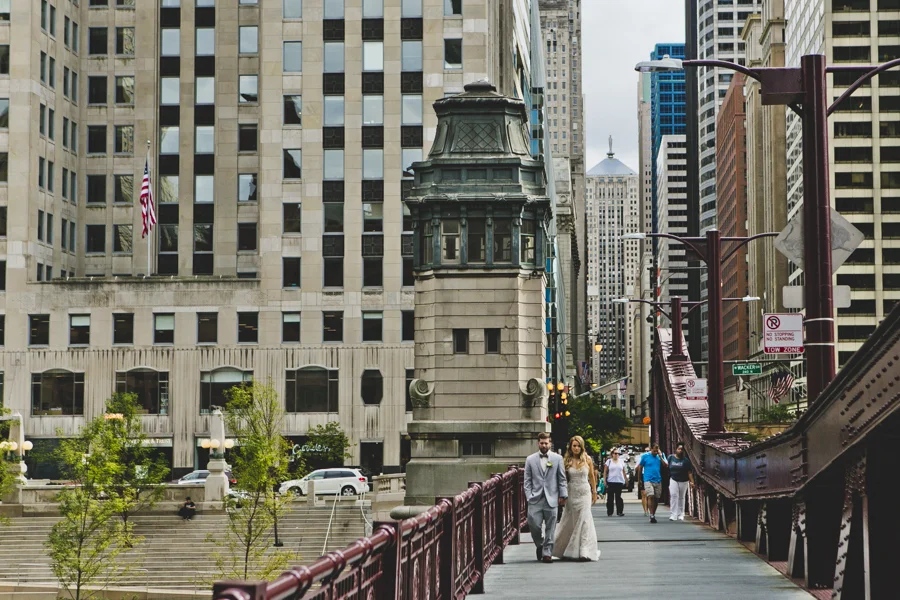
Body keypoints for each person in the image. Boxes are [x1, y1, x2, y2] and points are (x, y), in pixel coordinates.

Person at [553, 436, 600, 561]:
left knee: (584, 519)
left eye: (578, 446)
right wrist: (561, 494)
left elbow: (591, 477)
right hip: (571, 492)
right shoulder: (566, 461)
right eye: (574, 445)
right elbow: (562, 479)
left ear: (582, 447)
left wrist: (594, 491)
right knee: (571, 520)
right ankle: (561, 547)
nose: (576, 448)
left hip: (585, 492)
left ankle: (584, 549)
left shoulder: (587, 459)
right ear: (570, 446)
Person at [524, 432, 568, 562]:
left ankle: (547, 553)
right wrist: (528, 496)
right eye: (542, 443)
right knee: (534, 525)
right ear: (538, 443)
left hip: (552, 498)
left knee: (551, 527)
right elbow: (527, 481)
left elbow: (562, 479)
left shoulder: (557, 458)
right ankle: (540, 545)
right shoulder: (530, 459)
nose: (544, 445)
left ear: (550, 443)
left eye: (546, 443)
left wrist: (563, 494)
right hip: (535, 498)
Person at [635, 444, 668, 524]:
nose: (655, 452)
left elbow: (666, 465)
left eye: (657, 451)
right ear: (651, 449)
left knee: (656, 498)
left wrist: (660, 457)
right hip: (648, 479)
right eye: (654, 451)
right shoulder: (645, 456)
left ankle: (653, 514)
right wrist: (639, 479)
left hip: (658, 479)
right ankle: (651, 515)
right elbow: (640, 468)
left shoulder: (660, 455)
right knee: (650, 495)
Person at [667, 442, 694, 521]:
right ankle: (673, 514)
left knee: (681, 497)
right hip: (673, 479)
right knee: (674, 495)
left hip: (683, 480)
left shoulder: (686, 461)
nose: (680, 451)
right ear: (676, 449)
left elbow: (689, 472)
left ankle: (681, 513)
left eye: (682, 449)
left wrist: (692, 482)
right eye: (679, 449)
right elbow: (666, 466)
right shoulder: (671, 458)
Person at [603, 448, 627, 517]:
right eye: (615, 453)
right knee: (610, 498)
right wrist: (604, 480)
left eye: (618, 454)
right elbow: (605, 472)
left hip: (619, 481)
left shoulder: (621, 461)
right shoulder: (609, 461)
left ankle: (619, 511)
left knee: (618, 497)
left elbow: (623, 471)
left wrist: (626, 480)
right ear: (612, 454)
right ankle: (610, 511)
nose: (617, 455)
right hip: (611, 481)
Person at [636, 445, 650, 516]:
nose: (647, 452)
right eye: (646, 451)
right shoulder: (642, 458)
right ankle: (645, 510)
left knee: (650, 495)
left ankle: (650, 509)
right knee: (644, 494)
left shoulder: (652, 457)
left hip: (650, 476)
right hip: (643, 475)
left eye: (648, 451)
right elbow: (636, 469)